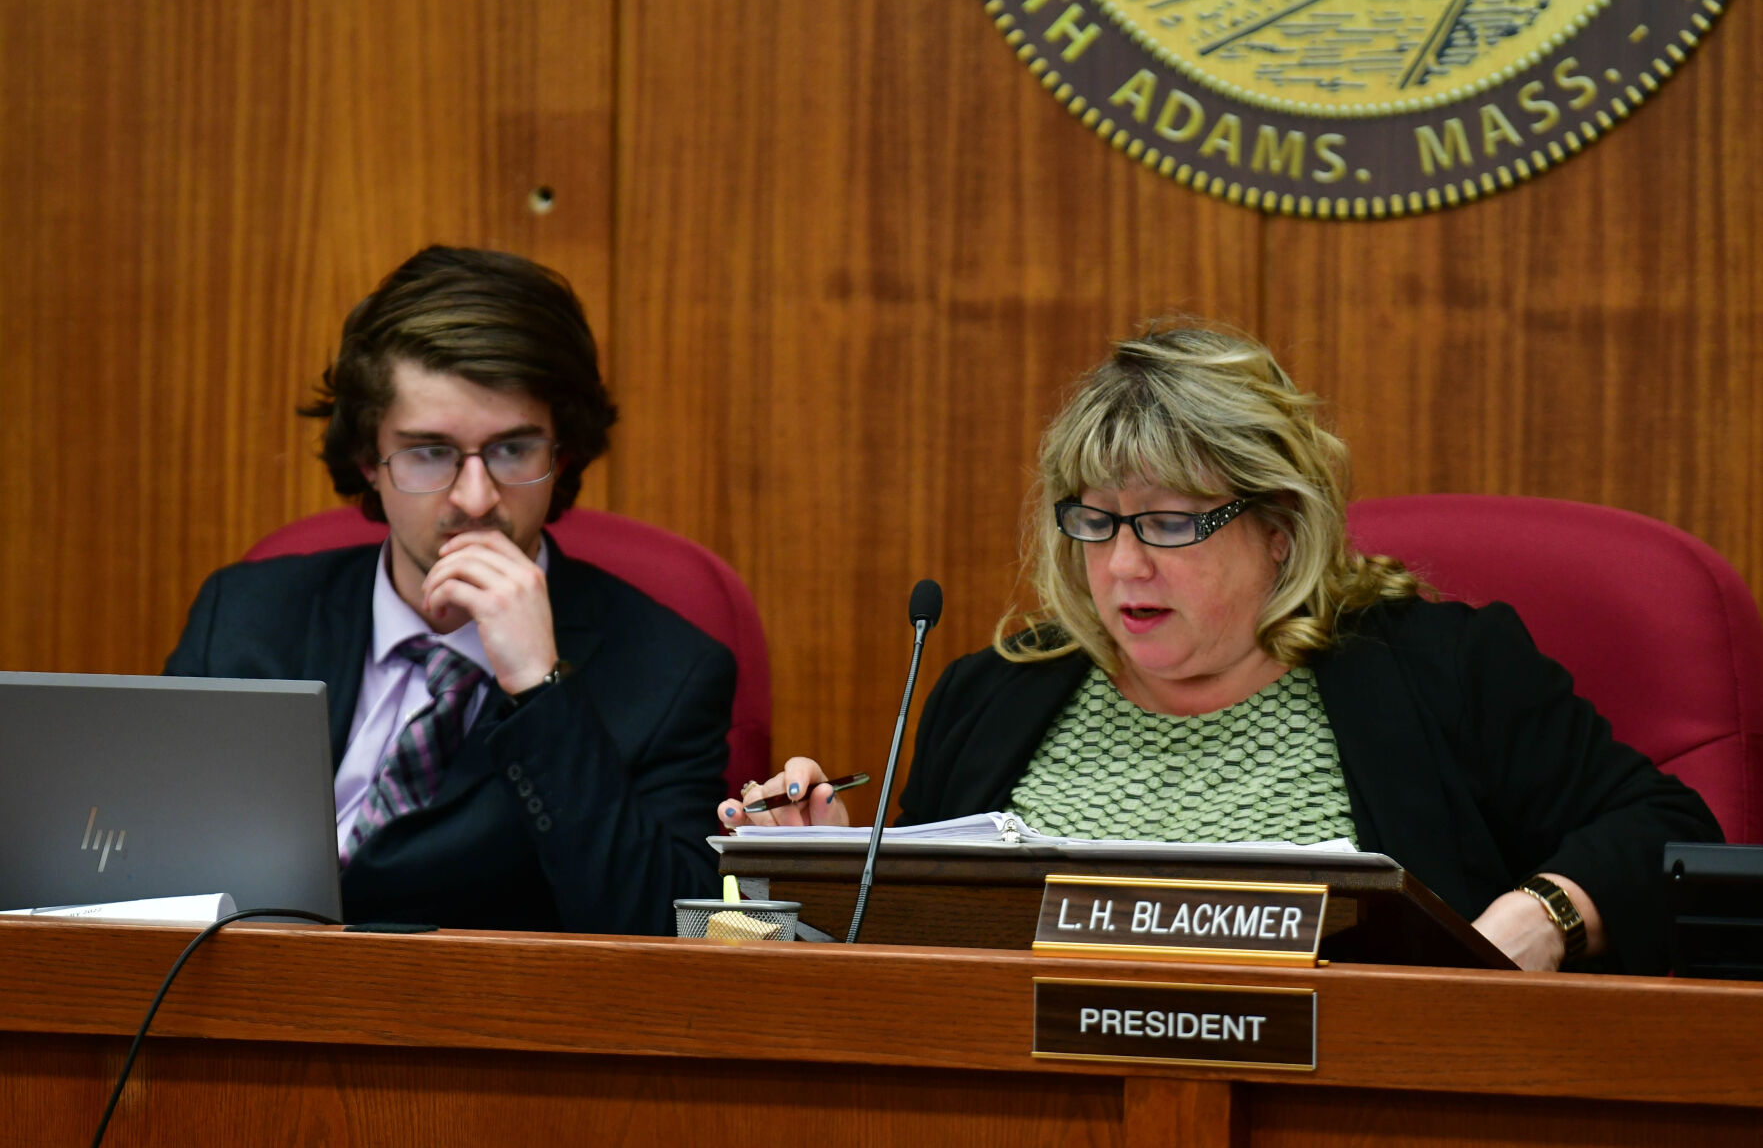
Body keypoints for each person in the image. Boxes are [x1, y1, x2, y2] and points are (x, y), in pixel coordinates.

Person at [723, 320, 1722, 973]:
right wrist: (836, 861)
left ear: (1278, 526)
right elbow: (928, 973)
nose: (1119, 567)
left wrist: (1542, 910)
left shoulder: (1437, 668)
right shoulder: (994, 692)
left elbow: (1662, 830)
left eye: (1166, 523)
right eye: (1094, 520)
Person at [166, 245, 734, 935]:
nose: (474, 497)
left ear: (564, 455)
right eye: (430, 452)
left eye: (512, 449)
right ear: (366, 459)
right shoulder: (245, 617)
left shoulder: (670, 672)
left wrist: (541, 689)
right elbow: (152, 869)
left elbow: (670, 934)